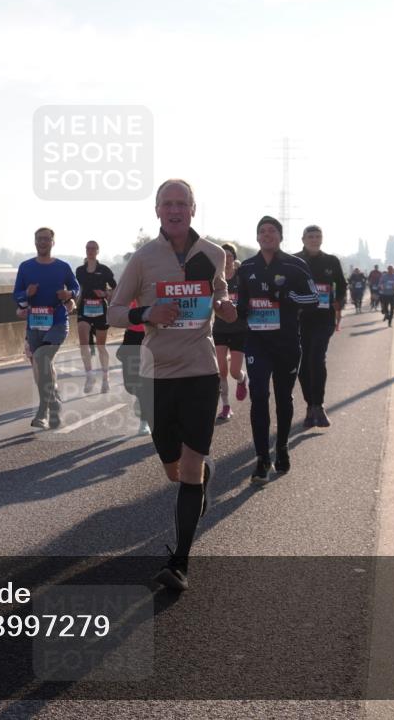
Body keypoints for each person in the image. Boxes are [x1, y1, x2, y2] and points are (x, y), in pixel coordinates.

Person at [109, 178, 236, 592]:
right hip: (157, 375)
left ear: (193, 209)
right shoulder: (144, 258)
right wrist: (146, 313)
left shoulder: (213, 254)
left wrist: (225, 306)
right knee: (173, 470)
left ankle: (179, 562)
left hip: (200, 372)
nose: (175, 209)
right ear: (158, 211)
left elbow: (221, 296)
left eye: (182, 203)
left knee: (190, 470)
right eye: (168, 203)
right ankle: (201, 477)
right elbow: (113, 312)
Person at [236, 216, 319, 485]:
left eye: (272, 231)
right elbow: (239, 301)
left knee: (284, 398)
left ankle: (281, 447)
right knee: (259, 396)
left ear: (280, 236)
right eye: (262, 231)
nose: (267, 234)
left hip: (286, 342)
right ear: (257, 237)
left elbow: (314, 298)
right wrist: (239, 308)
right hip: (257, 342)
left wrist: (289, 297)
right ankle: (262, 459)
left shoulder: (295, 265)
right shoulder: (247, 267)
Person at [14, 228, 80, 429]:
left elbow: (76, 288)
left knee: (42, 358)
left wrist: (69, 294)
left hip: (57, 322)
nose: (42, 242)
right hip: (34, 324)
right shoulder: (25, 267)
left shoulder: (62, 267)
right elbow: (16, 295)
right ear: (35, 242)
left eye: (46, 239)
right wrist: (27, 293)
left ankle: (43, 411)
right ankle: (55, 405)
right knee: (43, 368)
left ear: (53, 242)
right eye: (39, 239)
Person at [295, 225, 347, 429]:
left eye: (317, 236)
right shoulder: (294, 260)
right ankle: (310, 406)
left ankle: (319, 405)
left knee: (317, 359)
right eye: (310, 236)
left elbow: (342, 285)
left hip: (324, 319)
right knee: (303, 365)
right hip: (299, 320)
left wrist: (339, 301)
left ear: (322, 239)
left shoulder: (331, 261)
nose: (314, 239)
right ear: (303, 239)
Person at [75, 241, 118, 394]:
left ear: (97, 251)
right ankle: (89, 376)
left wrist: (105, 294)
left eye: (93, 248)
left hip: (100, 310)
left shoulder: (104, 270)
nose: (90, 251)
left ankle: (105, 378)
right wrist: (73, 302)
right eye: (88, 248)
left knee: (101, 346)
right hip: (84, 309)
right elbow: (78, 289)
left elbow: (116, 288)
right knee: (83, 344)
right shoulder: (80, 270)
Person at [213, 243, 248, 422]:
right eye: (223, 256)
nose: (226, 260)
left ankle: (242, 379)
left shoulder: (241, 277)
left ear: (234, 258)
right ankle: (226, 406)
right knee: (221, 371)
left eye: (229, 256)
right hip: (219, 329)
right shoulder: (215, 279)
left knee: (234, 371)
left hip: (239, 329)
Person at [116, 298, 151, 436]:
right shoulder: (131, 287)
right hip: (132, 336)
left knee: (145, 383)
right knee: (130, 385)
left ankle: (144, 421)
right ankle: (140, 397)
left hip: (152, 334)